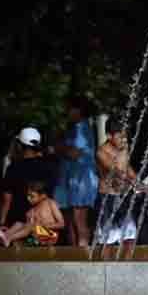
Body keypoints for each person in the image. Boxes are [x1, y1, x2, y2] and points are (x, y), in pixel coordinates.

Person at [94, 119, 148, 257]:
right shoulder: (101, 152)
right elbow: (115, 171)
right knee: (108, 240)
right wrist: (133, 182)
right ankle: (105, 271)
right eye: (120, 136)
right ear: (109, 136)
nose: (123, 139)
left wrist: (139, 183)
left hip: (123, 198)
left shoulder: (123, 148)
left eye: (125, 136)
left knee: (130, 237)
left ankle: (125, 270)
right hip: (107, 198)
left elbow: (127, 168)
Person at [53, 96, 99, 247]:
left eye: (70, 108)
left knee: (80, 220)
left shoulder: (82, 128)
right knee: (71, 221)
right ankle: (74, 253)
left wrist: (58, 146)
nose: (67, 111)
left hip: (82, 180)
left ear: (79, 110)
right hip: (72, 180)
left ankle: (83, 254)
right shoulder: (74, 129)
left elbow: (74, 153)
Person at [0, 127, 57, 235]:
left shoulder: (14, 167)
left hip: (17, 224)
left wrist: (2, 223)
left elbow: (6, 198)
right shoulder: (49, 166)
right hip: (45, 224)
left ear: (20, 146)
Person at [0, 181, 64, 247]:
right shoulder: (31, 211)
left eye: (32, 196)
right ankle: (4, 235)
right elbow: (26, 230)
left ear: (43, 195)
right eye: (27, 195)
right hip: (37, 238)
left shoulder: (50, 203)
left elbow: (61, 224)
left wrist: (42, 225)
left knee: (31, 226)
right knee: (20, 223)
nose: (28, 198)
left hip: (52, 237)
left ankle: (8, 238)